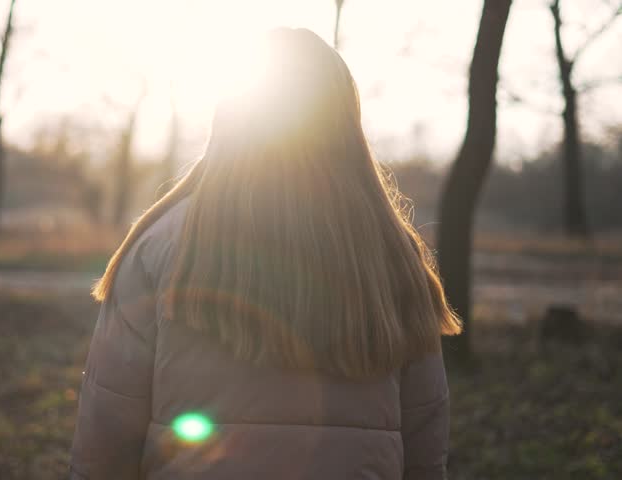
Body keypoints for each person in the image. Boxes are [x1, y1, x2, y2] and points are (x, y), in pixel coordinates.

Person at [69, 27, 462, 480]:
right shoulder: (393, 258)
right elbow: (425, 445)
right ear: (344, 125)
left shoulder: (159, 246)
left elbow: (106, 439)